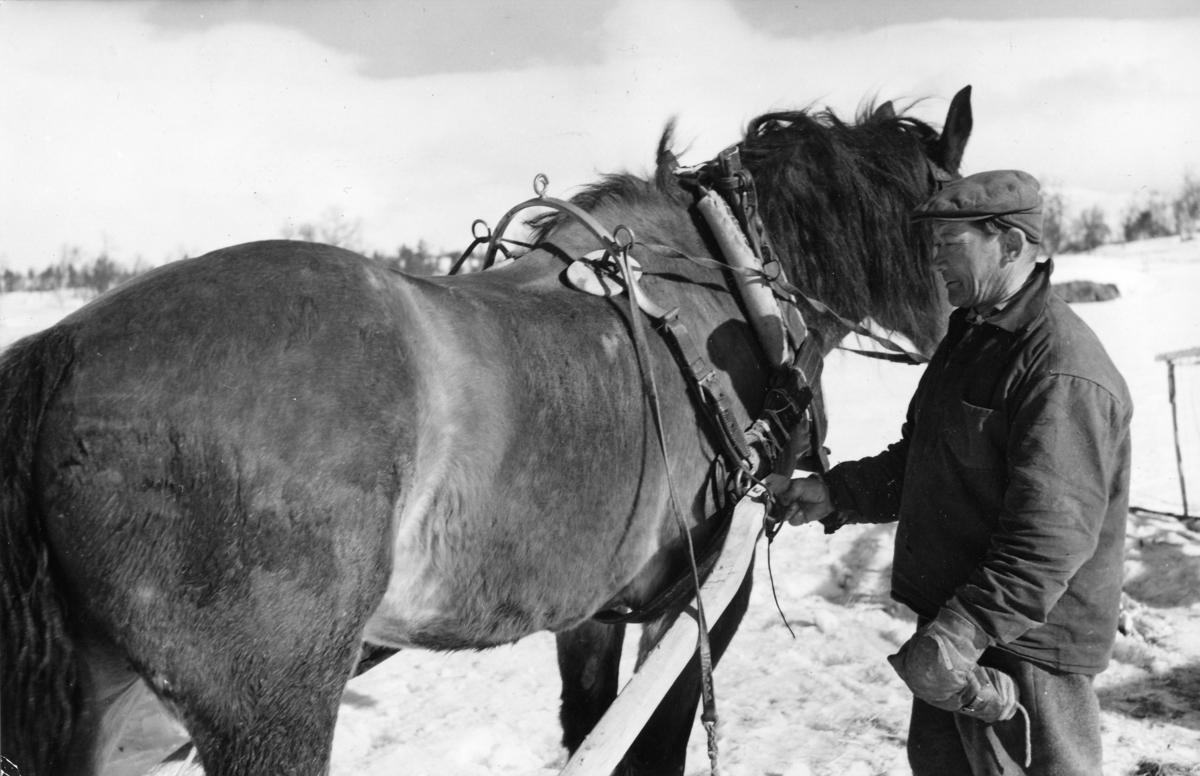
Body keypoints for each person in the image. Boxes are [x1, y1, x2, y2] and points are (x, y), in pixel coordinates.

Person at [767, 170, 1132, 775]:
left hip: (1024, 652)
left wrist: (963, 631)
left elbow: (1050, 540)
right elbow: (923, 459)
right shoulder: (972, 332)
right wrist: (834, 493)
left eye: (949, 245)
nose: (933, 263)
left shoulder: (1061, 369)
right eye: (932, 246)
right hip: (954, 636)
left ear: (1011, 245)